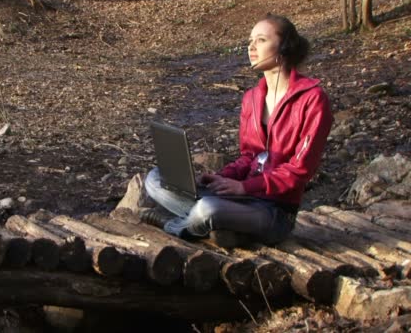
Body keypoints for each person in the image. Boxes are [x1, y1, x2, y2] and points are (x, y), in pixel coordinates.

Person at [141, 13, 333, 247]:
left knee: (208, 208)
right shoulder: (252, 98)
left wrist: (244, 187)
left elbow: (299, 171)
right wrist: (222, 178)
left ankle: (174, 225)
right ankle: (220, 226)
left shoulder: (313, 99)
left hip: (275, 211)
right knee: (155, 179)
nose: (251, 47)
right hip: (241, 198)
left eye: (261, 40)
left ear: (285, 46)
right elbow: (248, 157)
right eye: (250, 41)